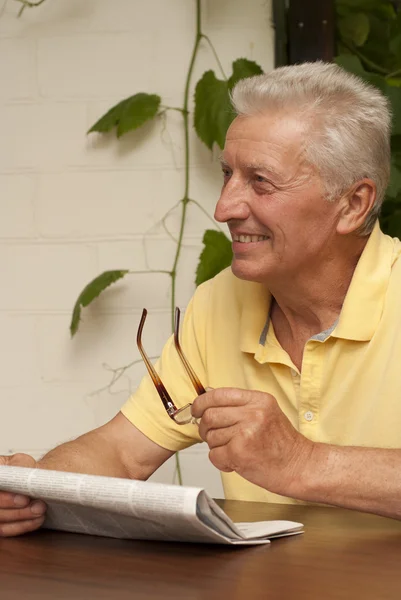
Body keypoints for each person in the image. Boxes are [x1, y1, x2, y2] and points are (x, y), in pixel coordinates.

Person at [2, 61, 401, 538]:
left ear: (353, 203)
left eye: (260, 181)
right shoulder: (219, 301)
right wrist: (30, 488)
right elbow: (122, 452)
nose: (224, 208)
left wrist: (301, 461)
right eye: (228, 173)